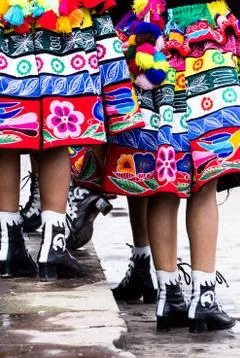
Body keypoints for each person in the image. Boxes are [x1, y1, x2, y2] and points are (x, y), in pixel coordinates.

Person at [101, 0, 240, 332]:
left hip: (149, 41)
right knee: (204, 179)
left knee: (162, 180)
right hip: (203, 40)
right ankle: (203, 299)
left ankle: (169, 296)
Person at [0, 0, 144, 281]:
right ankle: (52, 246)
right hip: (60, 15)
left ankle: (7, 243)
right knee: (60, 121)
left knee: (7, 121)